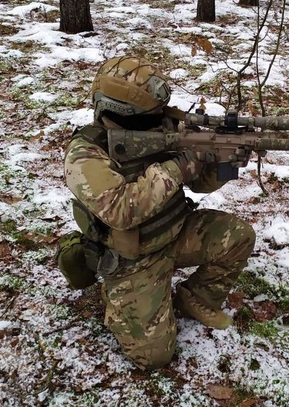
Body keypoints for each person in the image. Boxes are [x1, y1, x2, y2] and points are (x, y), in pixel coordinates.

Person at [55, 56, 256, 370]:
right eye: (151, 114)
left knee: (238, 237)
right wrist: (178, 167)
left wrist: (225, 161)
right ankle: (117, 298)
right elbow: (120, 210)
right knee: (153, 357)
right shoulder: (85, 154)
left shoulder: (164, 128)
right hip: (132, 257)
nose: (161, 117)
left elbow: (200, 184)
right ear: (122, 111)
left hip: (176, 231)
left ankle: (194, 299)